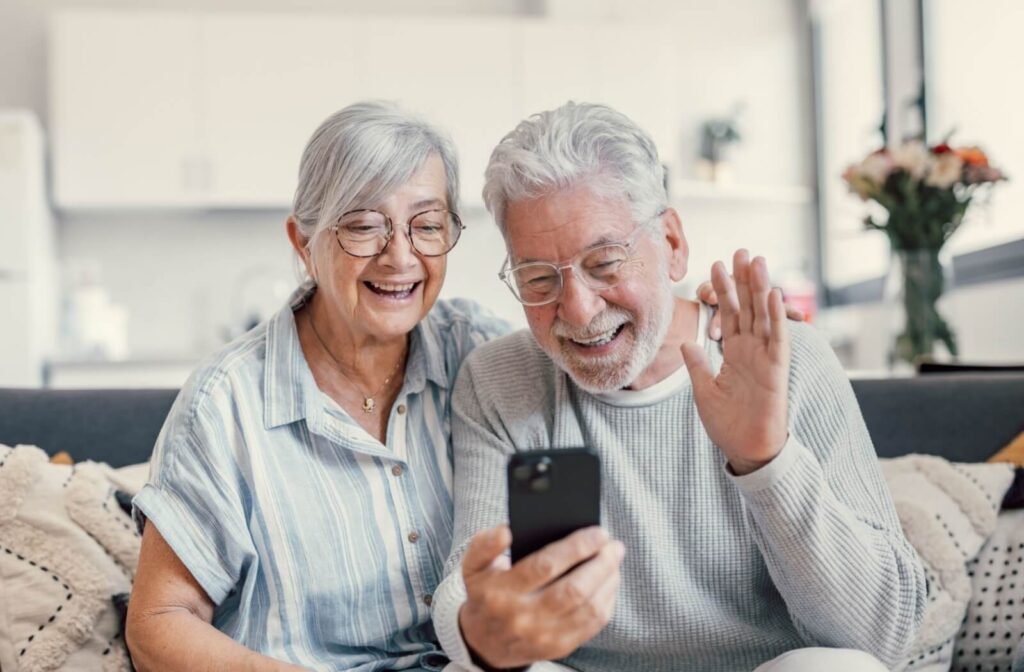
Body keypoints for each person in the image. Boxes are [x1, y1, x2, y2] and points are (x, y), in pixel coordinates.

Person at [431, 102, 927, 672]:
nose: (578, 310)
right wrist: (478, 630)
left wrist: (766, 462)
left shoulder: (788, 359)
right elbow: (471, 582)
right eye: (539, 278)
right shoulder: (500, 380)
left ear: (671, 243)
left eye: (604, 264)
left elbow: (882, 637)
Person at [125, 101, 512, 671]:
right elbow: (158, 624)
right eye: (363, 226)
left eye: (427, 226)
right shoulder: (226, 401)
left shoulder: (480, 351)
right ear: (303, 242)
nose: (400, 257)